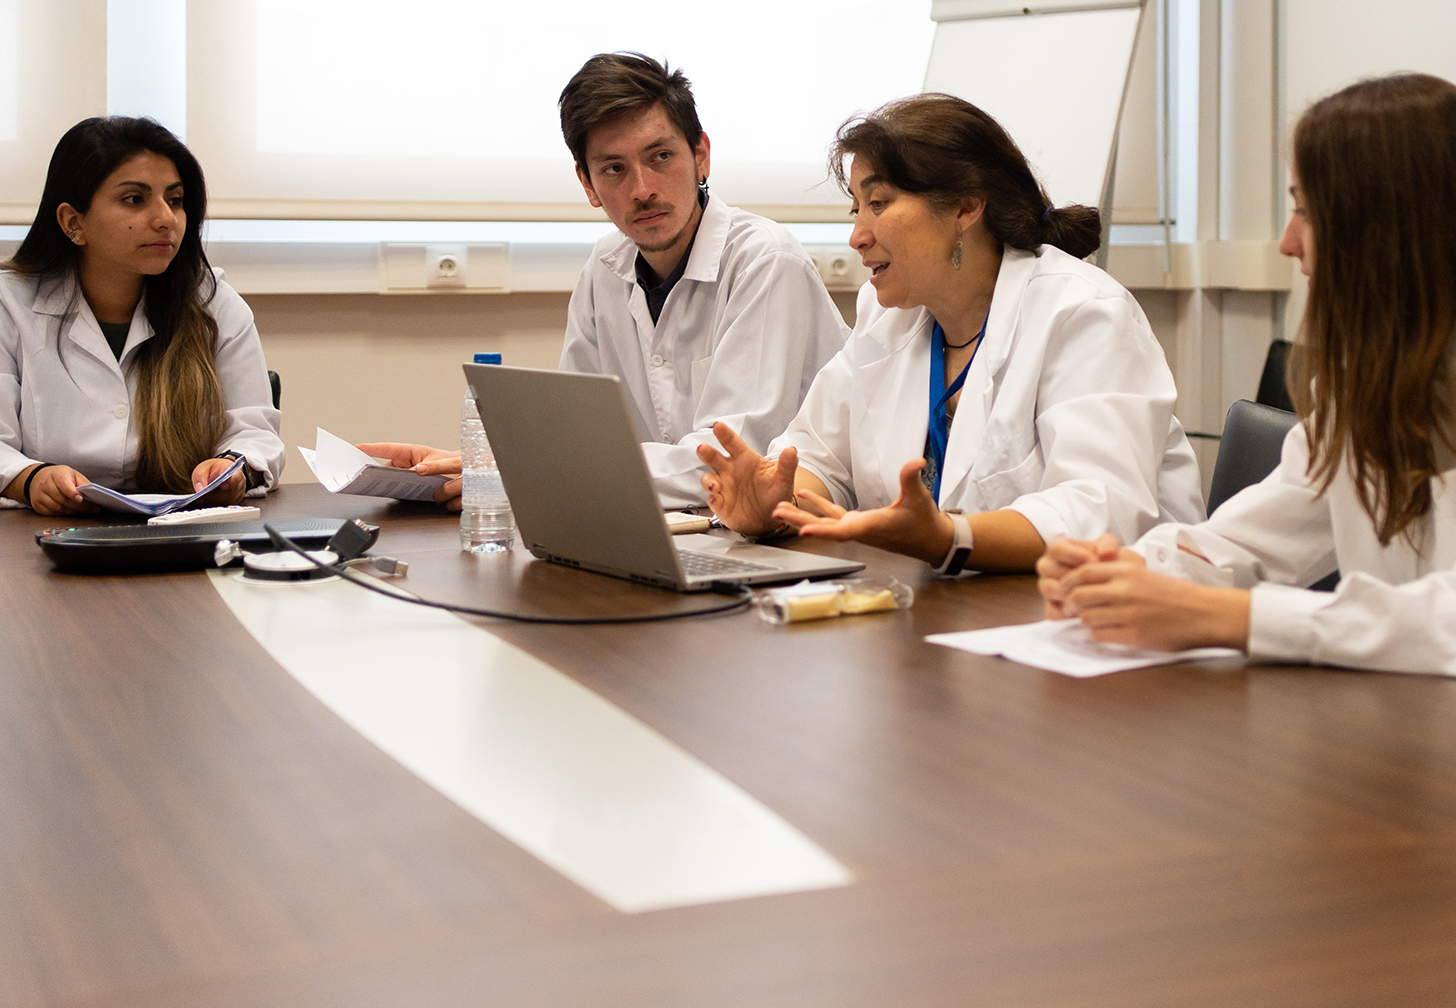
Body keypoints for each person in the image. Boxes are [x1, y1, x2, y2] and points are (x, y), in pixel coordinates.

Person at [1037, 73, 1456, 674]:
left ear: (1390, 231)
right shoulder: (1367, 386)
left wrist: (1231, 618)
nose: (1288, 242)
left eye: (1306, 212)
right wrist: (1123, 571)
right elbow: (1249, 540)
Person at [698, 94, 1204, 574]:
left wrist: (949, 537)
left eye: (879, 203)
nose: (857, 236)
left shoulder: (1084, 313)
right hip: (945, 612)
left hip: (1105, 623)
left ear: (965, 208)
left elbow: (1098, 511)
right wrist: (775, 502)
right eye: (857, 209)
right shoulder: (887, 313)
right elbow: (820, 458)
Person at [363, 52, 849, 510]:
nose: (642, 190)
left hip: (796, 540)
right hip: (681, 529)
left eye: (660, 156)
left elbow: (729, 462)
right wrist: (476, 465)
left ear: (701, 155)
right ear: (587, 185)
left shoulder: (765, 261)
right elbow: (578, 433)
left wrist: (527, 472)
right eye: (614, 168)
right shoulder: (604, 267)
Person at [0, 116, 283, 516]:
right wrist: (27, 479)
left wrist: (234, 469)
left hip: (182, 529)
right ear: (72, 222)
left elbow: (254, 432)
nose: (166, 218)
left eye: (176, 199)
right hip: (43, 538)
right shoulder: (9, 303)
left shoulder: (214, 303)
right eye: (135, 199)